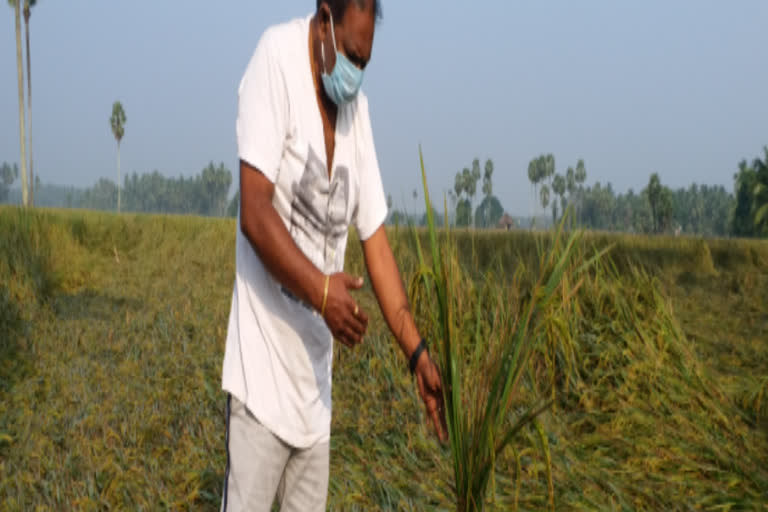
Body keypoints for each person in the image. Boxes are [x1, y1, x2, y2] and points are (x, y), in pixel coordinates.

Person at [220, 0, 447, 510]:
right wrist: (323, 292)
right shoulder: (275, 60)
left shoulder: (355, 114)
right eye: (349, 55)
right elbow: (255, 212)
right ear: (324, 19)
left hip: (313, 403)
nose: (355, 74)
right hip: (260, 390)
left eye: (364, 63)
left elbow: (378, 245)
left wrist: (417, 354)